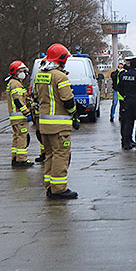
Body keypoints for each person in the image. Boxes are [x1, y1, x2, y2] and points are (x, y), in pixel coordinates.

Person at [34, 43, 79, 199]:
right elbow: (68, 100)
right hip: (59, 126)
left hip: (44, 124)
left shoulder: (40, 75)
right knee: (61, 155)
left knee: (50, 155)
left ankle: (50, 187)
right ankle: (59, 189)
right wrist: (75, 114)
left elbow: (35, 96)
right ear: (61, 59)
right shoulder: (60, 76)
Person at [5, 60, 34, 167]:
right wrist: (27, 112)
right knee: (22, 137)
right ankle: (21, 159)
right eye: (21, 71)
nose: (23, 74)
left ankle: (15, 157)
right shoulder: (15, 84)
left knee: (16, 137)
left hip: (15, 118)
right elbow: (17, 101)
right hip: (20, 117)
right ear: (15, 72)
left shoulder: (13, 83)